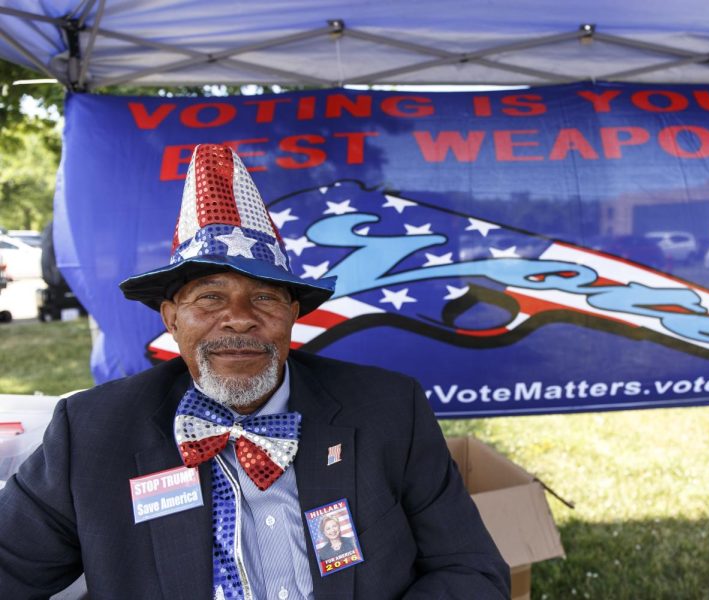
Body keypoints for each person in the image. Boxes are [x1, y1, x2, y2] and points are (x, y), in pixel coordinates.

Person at [0, 144, 509, 599]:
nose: (240, 317)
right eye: (210, 297)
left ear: (292, 314)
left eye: (264, 296)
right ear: (172, 320)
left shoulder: (389, 410)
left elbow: (471, 571)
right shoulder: (91, 434)